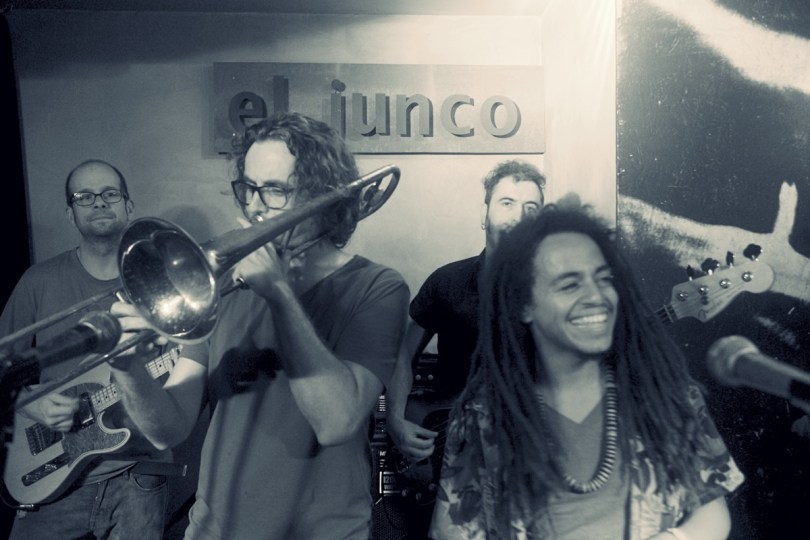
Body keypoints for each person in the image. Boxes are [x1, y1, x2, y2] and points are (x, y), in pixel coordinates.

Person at [107, 111, 410, 539]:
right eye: (248, 187)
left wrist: (279, 294)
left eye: (274, 190)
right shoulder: (222, 289)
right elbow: (168, 430)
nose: (253, 205)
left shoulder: (377, 286)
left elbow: (337, 421)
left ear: (323, 197)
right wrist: (128, 369)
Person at [429, 207, 745, 540]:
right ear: (523, 305)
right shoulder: (483, 414)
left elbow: (712, 514)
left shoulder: (668, 396)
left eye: (604, 279)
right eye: (569, 285)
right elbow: (450, 529)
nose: (596, 296)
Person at [0, 160, 172, 540]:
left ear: (129, 206)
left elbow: (187, 372)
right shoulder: (37, 281)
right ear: (70, 213)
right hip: (50, 472)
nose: (99, 202)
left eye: (110, 193)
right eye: (85, 196)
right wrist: (29, 402)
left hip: (139, 472)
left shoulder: (160, 284)